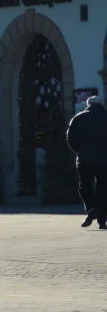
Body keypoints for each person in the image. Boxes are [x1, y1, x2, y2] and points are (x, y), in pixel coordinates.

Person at [66, 94, 107, 229]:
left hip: (85, 160)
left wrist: (79, 150)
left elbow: (70, 138)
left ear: (88, 104)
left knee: (84, 186)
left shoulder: (79, 118)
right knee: (103, 189)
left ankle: (90, 210)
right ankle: (102, 220)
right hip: (104, 161)